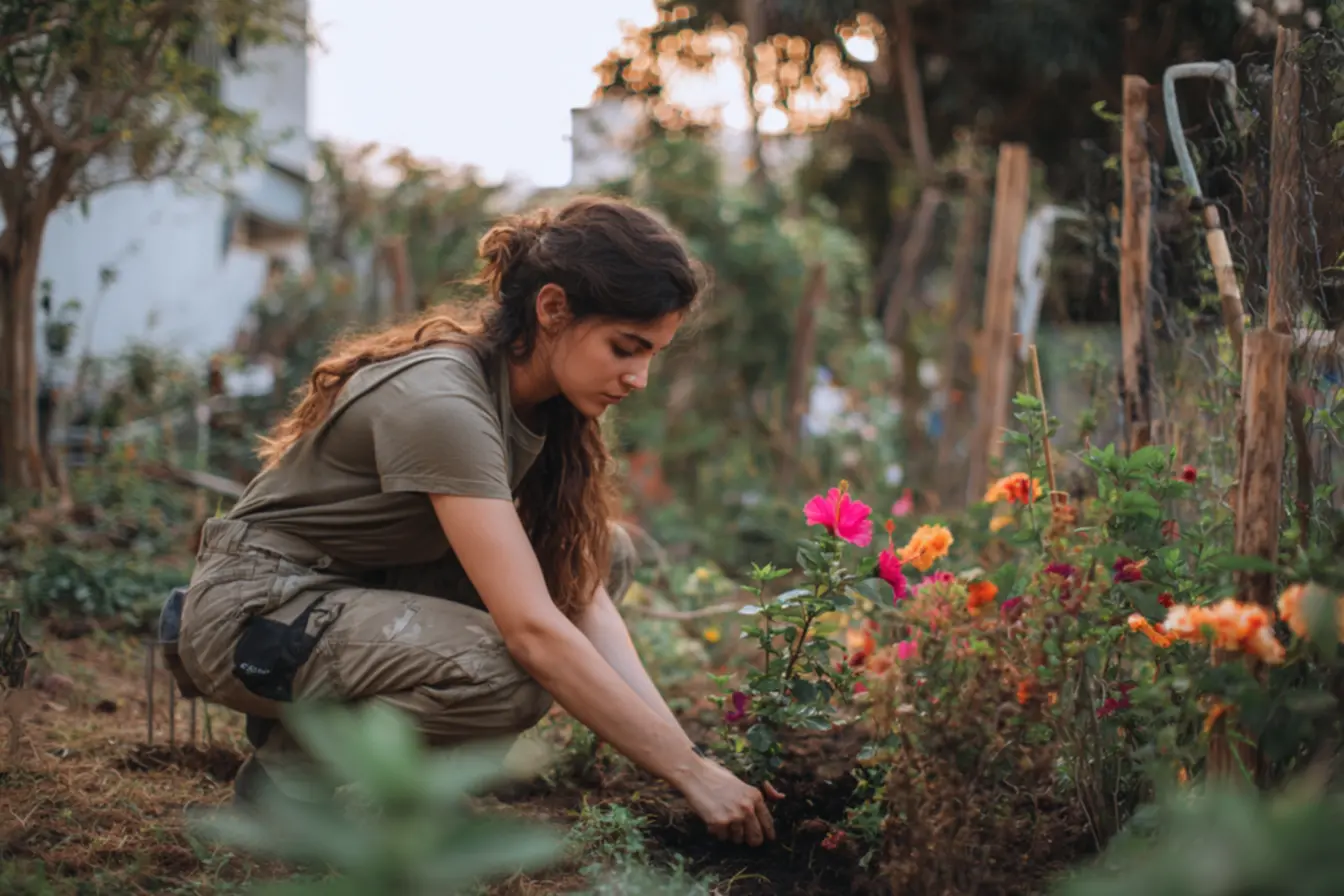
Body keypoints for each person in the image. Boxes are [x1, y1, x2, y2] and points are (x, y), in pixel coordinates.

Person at [168, 195, 781, 846]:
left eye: (652, 354)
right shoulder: (444, 403)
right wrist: (687, 772)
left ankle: (371, 783)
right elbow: (534, 633)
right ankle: (287, 788)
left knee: (603, 554)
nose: (640, 378)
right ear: (552, 308)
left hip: (352, 591)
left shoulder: (542, 403)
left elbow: (578, 597)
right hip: (256, 612)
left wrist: (690, 760)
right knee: (507, 671)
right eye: (625, 348)